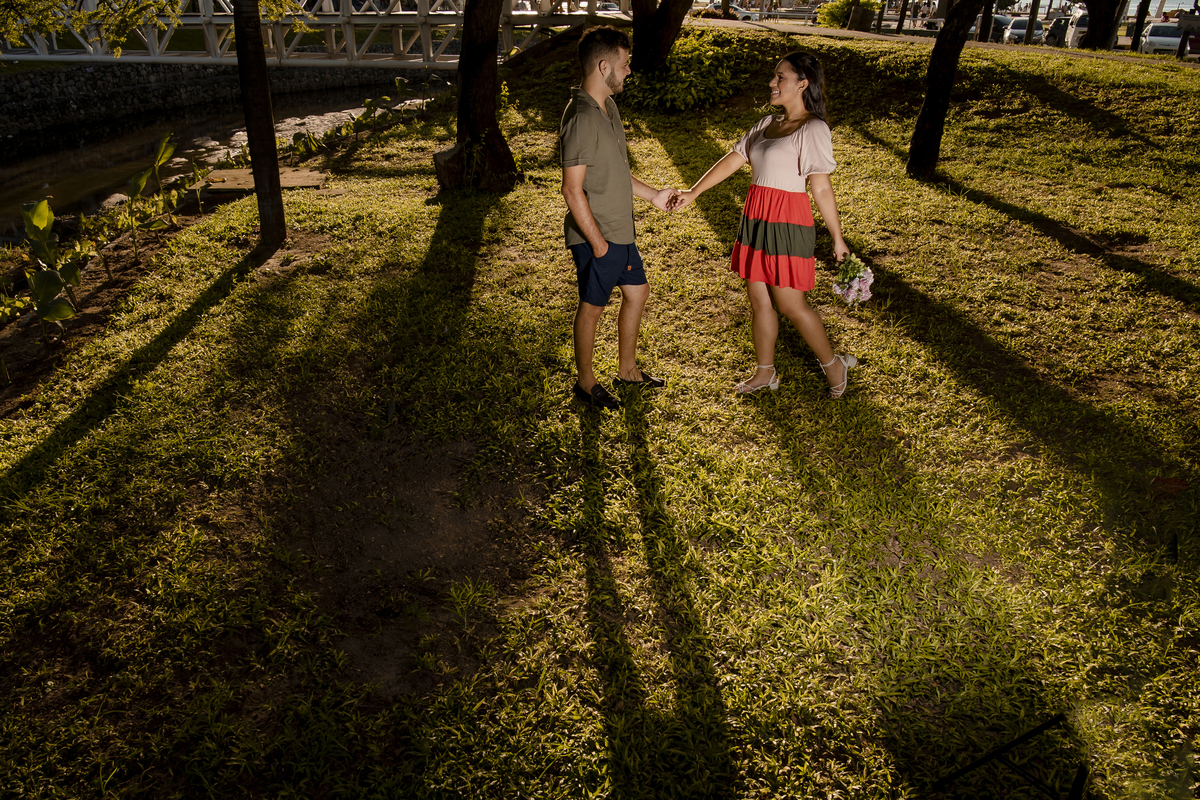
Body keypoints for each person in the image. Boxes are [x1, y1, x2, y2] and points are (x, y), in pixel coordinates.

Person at [668, 51, 856, 398]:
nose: (772, 82)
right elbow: (733, 160)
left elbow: (821, 187)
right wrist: (692, 192)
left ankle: (834, 364)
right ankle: (765, 372)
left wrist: (838, 238)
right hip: (756, 216)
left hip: (787, 220)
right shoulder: (766, 124)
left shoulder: (813, 128)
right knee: (759, 300)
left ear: (803, 84)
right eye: (774, 76)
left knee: (790, 305)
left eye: (780, 77)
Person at [560, 26, 677, 410]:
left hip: (619, 231)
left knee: (638, 291)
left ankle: (627, 371)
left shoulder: (608, 107)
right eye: (625, 65)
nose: (629, 71)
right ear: (604, 65)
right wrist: (598, 244)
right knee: (592, 308)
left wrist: (654, 196)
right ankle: (586, 381)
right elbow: (572, 190)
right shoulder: (580, 117)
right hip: (599, 235)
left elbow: (615, 172)